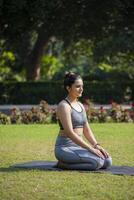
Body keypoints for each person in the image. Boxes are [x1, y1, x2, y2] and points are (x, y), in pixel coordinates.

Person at [54, 72, 112, 170]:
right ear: (68, 88)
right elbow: (70, 133)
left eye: (82, 86)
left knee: (107, 161)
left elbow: (86, 130)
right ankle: (63, 164)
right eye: (77, 86)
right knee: (97, 162)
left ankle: (68, 162)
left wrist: (96, 146)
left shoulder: (80, 105)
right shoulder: (64, 106)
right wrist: (90, 148)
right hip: (64, 148)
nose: (81, 89)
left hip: (78, 147)